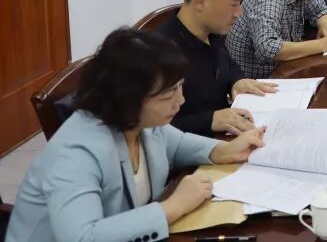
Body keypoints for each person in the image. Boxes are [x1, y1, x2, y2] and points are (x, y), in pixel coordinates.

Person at [5, 29, 266, 242]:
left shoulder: (140, 122)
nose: (181, 100)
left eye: (179, 88)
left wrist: (224, 150)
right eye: (168, 94)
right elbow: (82, 237)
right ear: (127, 98)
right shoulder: (75, 153)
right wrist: (173, 207)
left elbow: (176, 144)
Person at [155, 0, 278, 137]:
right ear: (200, 2)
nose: (238, 13)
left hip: (227, 139)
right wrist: (209, 120)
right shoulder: (158, 53)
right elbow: (149, 131)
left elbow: (228, 64)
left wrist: (237, 80)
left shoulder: (212, 32)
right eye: (234, 4)